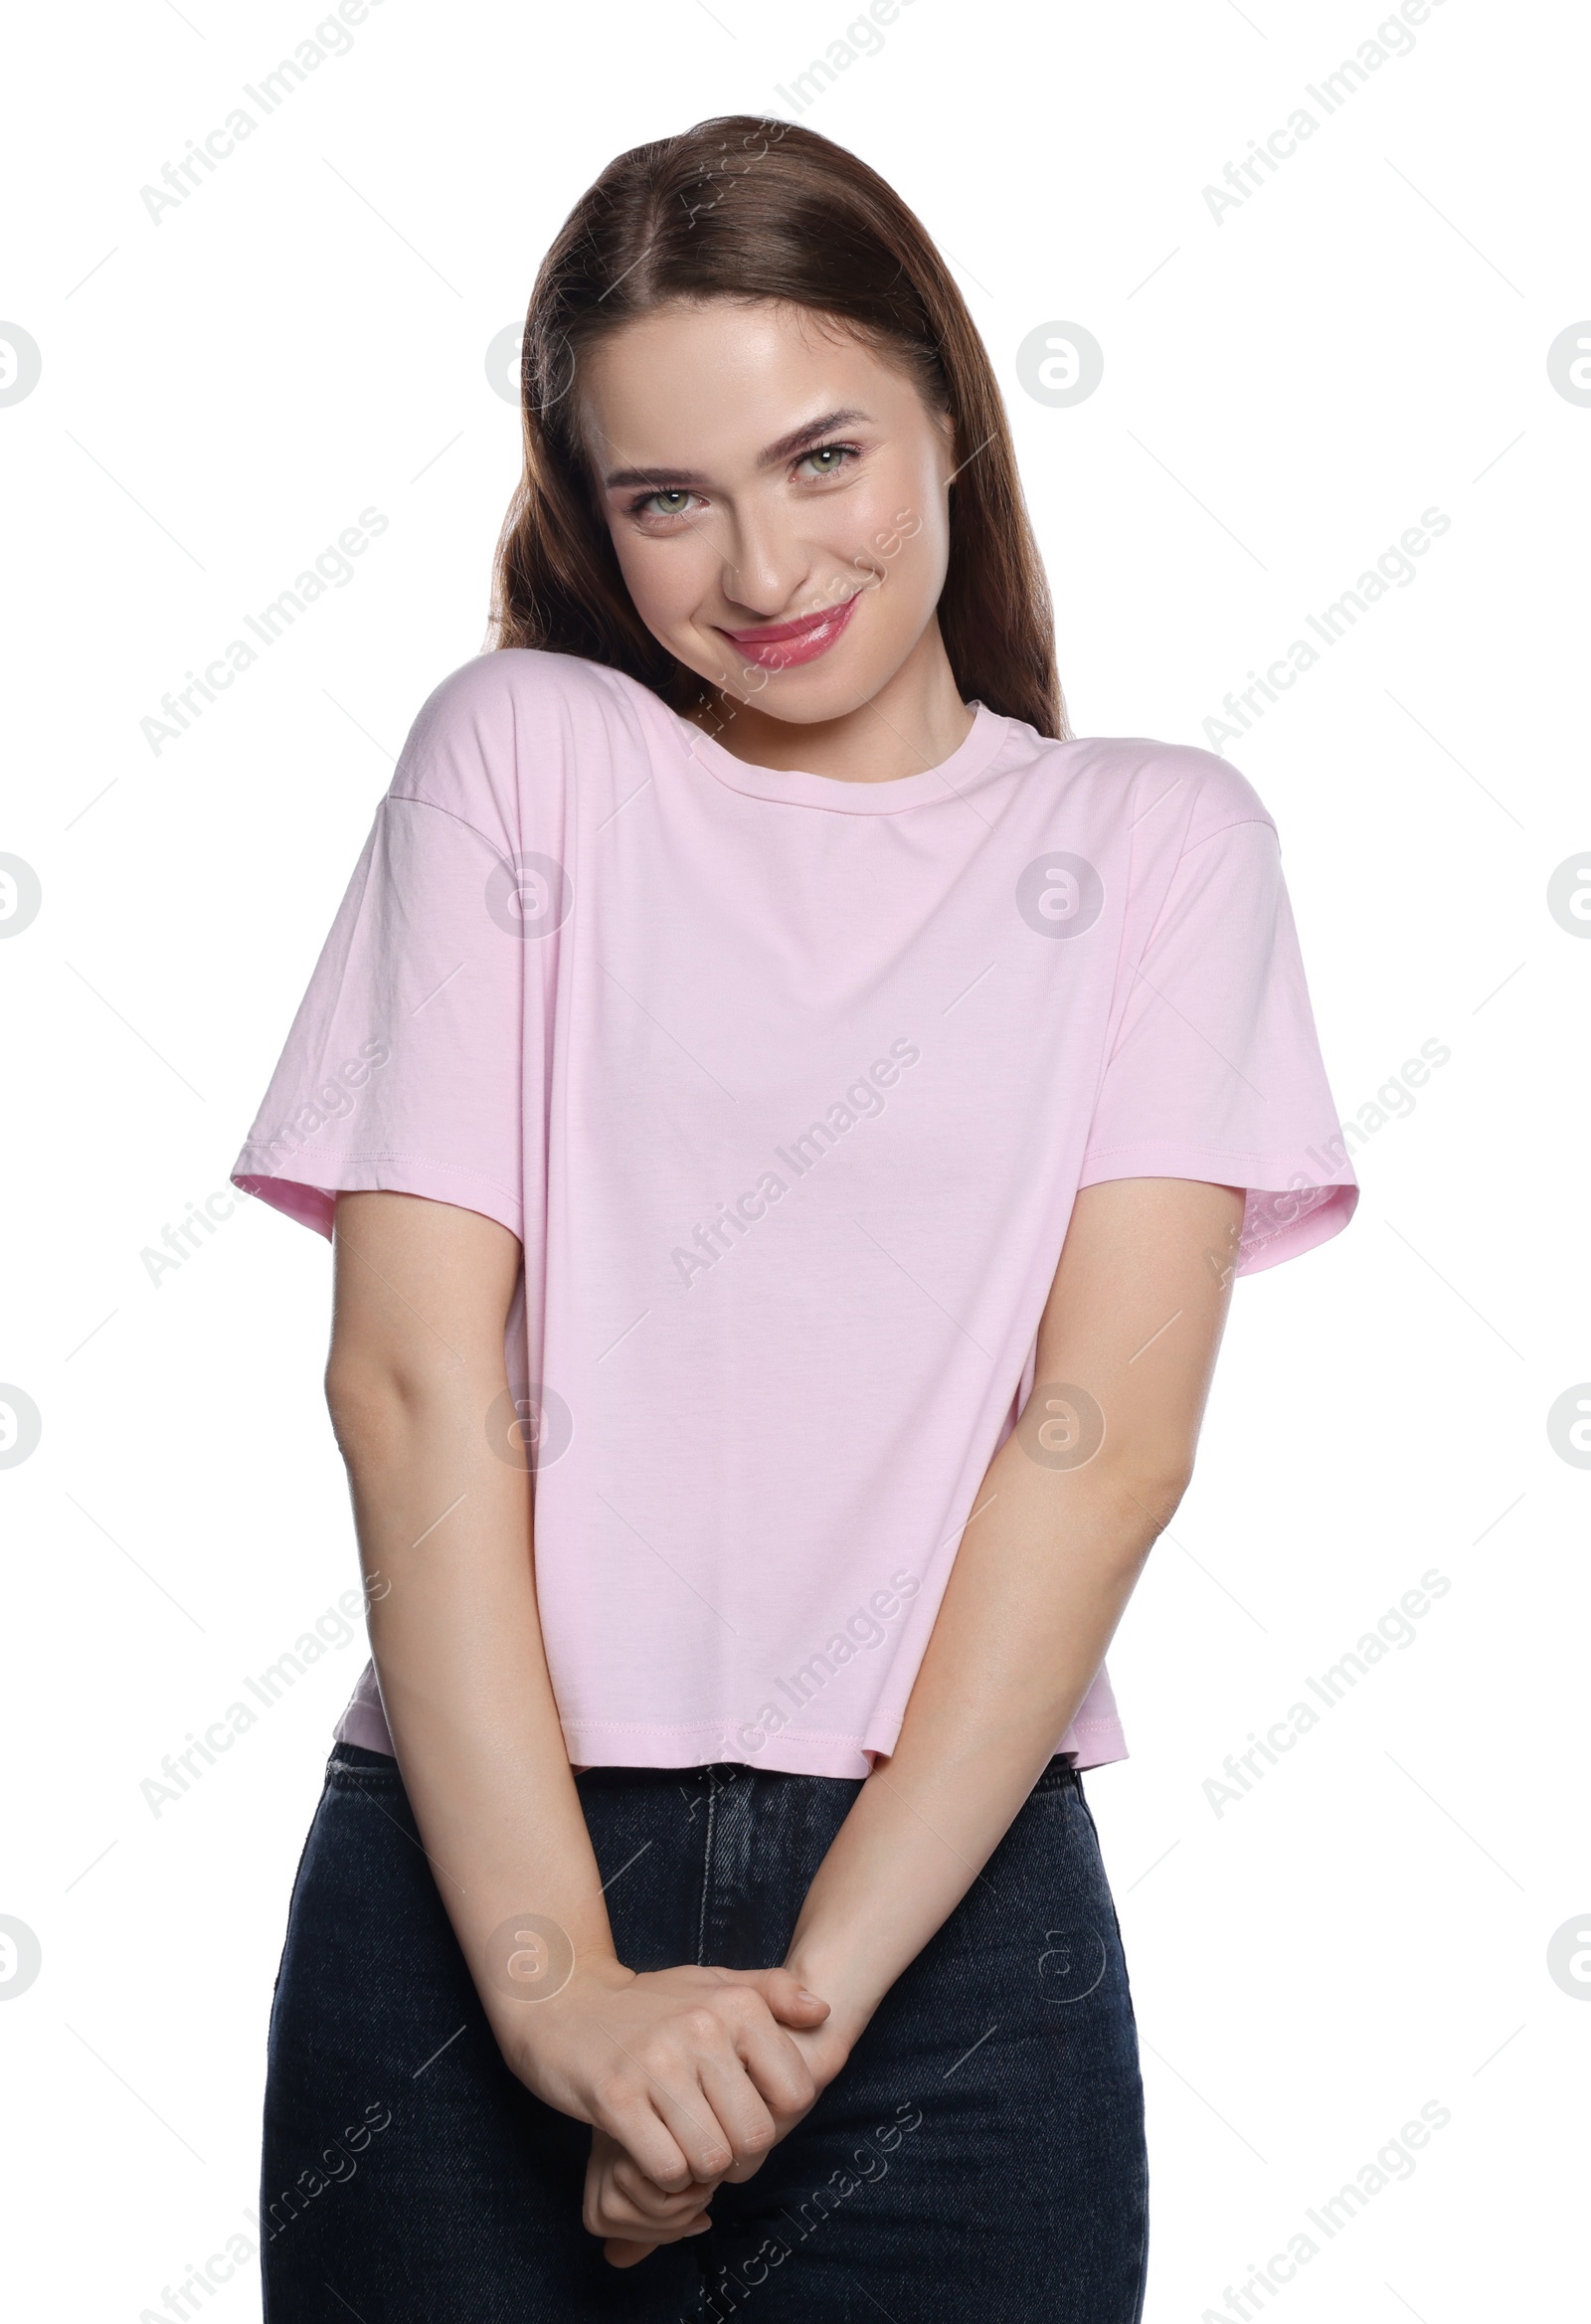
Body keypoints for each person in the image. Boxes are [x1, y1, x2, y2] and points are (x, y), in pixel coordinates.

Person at [232, 112, 1358, 2324]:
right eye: (668, 497)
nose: (761, 566)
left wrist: (797, 2011)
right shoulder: (524, 754)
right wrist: (559, 1998)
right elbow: (407, 1379)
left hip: (944, 1920)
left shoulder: (1156, 843)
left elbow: (1098, 1442)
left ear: (947, 402)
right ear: (594, 518)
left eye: (821, 453)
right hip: (475, 1880)